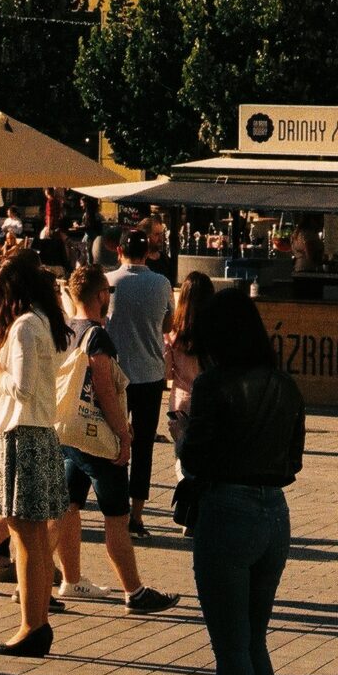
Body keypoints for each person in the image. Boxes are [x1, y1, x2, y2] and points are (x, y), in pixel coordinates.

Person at [179, 285, 306, 675]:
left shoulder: (214, 385)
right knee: (255, 640)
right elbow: (294, 460)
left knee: (230, 645)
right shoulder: (286, 385)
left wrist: (185, 429)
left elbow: (194, 459)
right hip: (275, 512)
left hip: (226, 511)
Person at [54, 265, 180, 614]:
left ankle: (69, 577)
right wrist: (123, 434)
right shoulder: (97, 336)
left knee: (68, 507)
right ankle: (134, 591)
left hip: (68, 431)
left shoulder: (64, 331)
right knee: (116, 516)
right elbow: (105, 390)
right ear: (100, 295)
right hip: (96, 436)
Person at [0, 248, 69, 656]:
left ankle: (33, 625)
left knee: (26, 537)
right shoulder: (45, 322)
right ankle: (34, 623)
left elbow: (21, 387)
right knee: (28, 536)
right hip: (36, 434)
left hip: (23, 434)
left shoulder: (24, 327)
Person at [108, 227, 173, 542]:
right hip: (150, 373)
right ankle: (136, 514)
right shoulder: (161, 284)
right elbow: (168, 324)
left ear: (118, 252)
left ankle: (115, 508)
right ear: (147, 252)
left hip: (114, 375)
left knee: (113, 441)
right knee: (144, 444)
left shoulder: (108, 283)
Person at [165, 270, 215, 468]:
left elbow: (166, 372)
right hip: (209, 401)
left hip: (180, 403)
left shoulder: (173, 334)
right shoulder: (216, 332)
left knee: (183, 457)